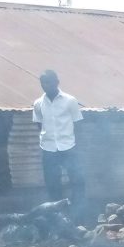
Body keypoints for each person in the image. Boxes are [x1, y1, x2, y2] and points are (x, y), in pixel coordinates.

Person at [32, 70, 85, 213]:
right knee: (52, 183)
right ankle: (57, 213)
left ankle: (78, 212)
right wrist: (46, 140)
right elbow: (39, 125)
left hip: (68, 147)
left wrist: (76, 146)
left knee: (77, 181)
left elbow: (78, 124)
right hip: (49, 149)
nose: (45, 85)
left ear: (57, 82)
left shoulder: (70, 101)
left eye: (49, 82)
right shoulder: (38, 103)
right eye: (43, 82)